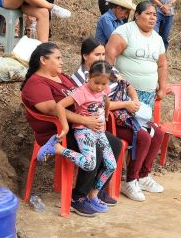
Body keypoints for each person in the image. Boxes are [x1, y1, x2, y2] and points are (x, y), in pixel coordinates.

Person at [20, 42, 125, 216]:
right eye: (58, 58)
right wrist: (85, 120)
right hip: (57, 132)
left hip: (81, 125)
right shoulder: (36, 83)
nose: (62, 61)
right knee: (97, 149)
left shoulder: (61, 77)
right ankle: (78, 197)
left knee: (115, 144)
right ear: (43, 60)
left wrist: (95, 116)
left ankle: (94, 191)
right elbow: (53, 110)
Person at [74, 38, 165, 202]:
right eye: (97, 54)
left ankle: (143, 176)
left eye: (103, 54)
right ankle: (130, 180)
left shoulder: (108, 68)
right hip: (108, 119)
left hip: (126, 113)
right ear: (85, 56)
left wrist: (134, 100)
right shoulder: (82, 77)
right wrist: (126, 104)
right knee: (143, 137)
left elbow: (127, 85)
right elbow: (98, 103)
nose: (101, 57)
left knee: (158, 133)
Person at [36, 60, 117, 211]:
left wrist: (106, 115)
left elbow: (106, 100)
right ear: (89, 77)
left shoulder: (104, 89)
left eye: (103, 84)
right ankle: (58, 149)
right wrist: (66, 127)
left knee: (111, 165)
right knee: (89, 164)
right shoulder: (82, 92)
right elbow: (60, 105)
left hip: (99, 132)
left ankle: (93, 195)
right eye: (96, 83)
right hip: (84, 131)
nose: (99, 87)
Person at [105, 0, 169, 107]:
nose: (152, 17)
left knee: (143, 117)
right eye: (148, 13)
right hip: (124, 92)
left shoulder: (158, 39)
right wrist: (111, 82)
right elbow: (108, 58)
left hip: (148, 94)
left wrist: (162, 89)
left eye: (154, 15)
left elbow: (162, 65)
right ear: (137, 15)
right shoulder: (125, 32)